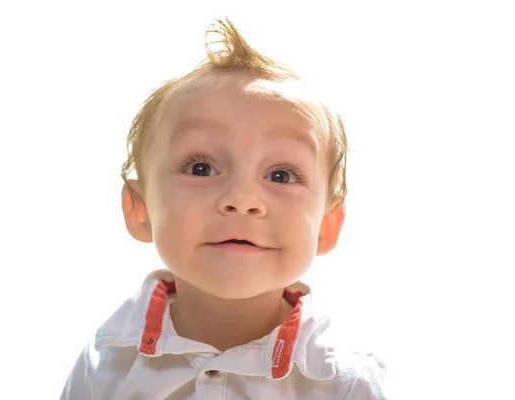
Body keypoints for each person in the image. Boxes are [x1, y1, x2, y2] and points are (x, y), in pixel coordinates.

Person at [61, 17, 388, 399]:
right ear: (139, 209)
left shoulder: (345, 382)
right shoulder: (105, 364)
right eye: (201, 168)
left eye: (281, 175)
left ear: (327, 226)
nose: (243, 199)